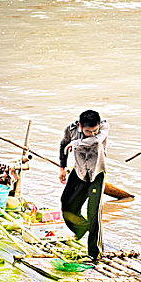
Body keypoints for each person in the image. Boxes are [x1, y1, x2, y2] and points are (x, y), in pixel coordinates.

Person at [59, 110, 109, 261]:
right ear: (80, 126)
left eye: (95, 130)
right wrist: (62, 167)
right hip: (79, 171)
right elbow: (63, 145)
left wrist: (75, 144)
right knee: (67, 205)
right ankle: (82, 228)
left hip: (96, 174)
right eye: (88, 131)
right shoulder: (71, 129)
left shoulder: (104, 127)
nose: (92, 133)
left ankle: (94, 254)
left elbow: (96, 141)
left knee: (93, 213)